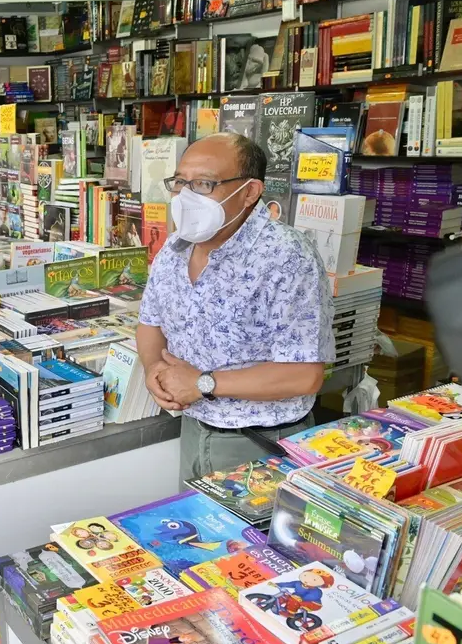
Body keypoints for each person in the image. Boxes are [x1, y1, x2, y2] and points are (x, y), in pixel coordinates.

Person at [136, 133, 334, 483]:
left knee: (251, 540)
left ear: (249, 192)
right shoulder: (174, 248)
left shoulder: (287, 256)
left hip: (258, 444)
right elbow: (150, 322)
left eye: (204, 184)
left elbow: (305, 375)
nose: (186, 196)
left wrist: (203, 383)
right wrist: (153, 368)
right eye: (180, 182)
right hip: (193, 428)